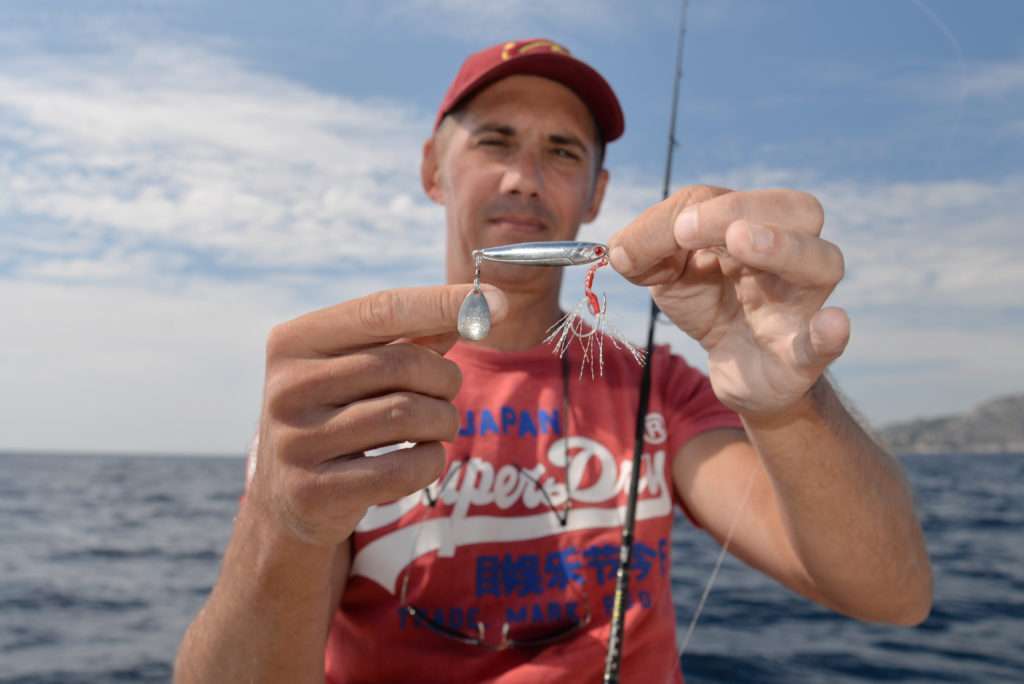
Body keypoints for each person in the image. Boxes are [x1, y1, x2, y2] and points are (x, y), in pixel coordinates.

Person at [174, 38, 932, 683]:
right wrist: (284, 518)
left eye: (562, 152)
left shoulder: (661, 388)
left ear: (596, 195)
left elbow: (894, 594)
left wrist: (786, 399)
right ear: (433, 170)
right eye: (494, 141)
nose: (524, 178)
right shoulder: (352, 399)